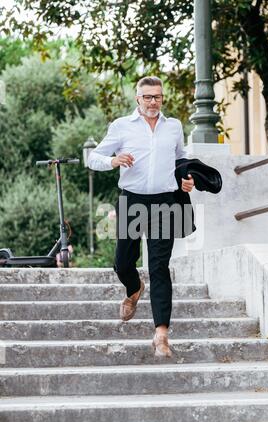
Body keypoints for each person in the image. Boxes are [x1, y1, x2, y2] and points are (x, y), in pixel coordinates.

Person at [88, 76, 194, 357]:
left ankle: (161, 334)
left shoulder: (173, 126)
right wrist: (113, 160)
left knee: (160, 267)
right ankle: (134, 289)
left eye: (157, 96)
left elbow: (181, 159)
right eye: (147, 97)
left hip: (165, 202)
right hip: (132, 200)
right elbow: (93, 157)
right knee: (123, 263)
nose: (153, 102)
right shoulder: (122, 126)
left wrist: (186, 178)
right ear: (138, 99)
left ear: (162, 98)